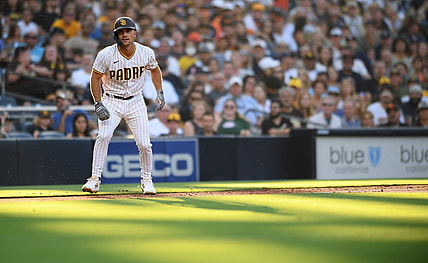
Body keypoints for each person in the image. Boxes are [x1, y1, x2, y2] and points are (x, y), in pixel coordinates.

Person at [81, 17, 165, 195]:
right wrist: (98, 102)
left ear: (135, 33)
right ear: (116, 35)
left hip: (136, 100)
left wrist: (159, 91)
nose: (124, 34)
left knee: (144, 144)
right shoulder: (106, 54)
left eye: (127, 31)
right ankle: (94, 179)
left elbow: (155, 69)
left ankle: (147, 179)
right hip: (112, 99)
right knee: (103, 136)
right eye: (120, 32)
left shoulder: (146, 52)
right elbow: (95, 78)